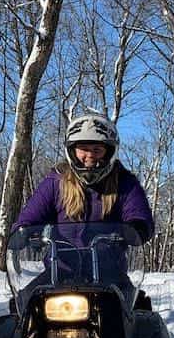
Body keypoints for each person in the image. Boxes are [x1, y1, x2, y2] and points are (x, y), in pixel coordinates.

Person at [10, 113, 154, 305]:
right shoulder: (55, 182)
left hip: (109, 276)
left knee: (138, 315)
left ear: (109, 152)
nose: (90, 156)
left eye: (97, 149)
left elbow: (138, 213)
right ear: (72, 151)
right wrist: (22, 232)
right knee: (23, 306)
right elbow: (31, 215)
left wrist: (137, 227)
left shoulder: (125, 183)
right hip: (59, 273)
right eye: (83, 149)